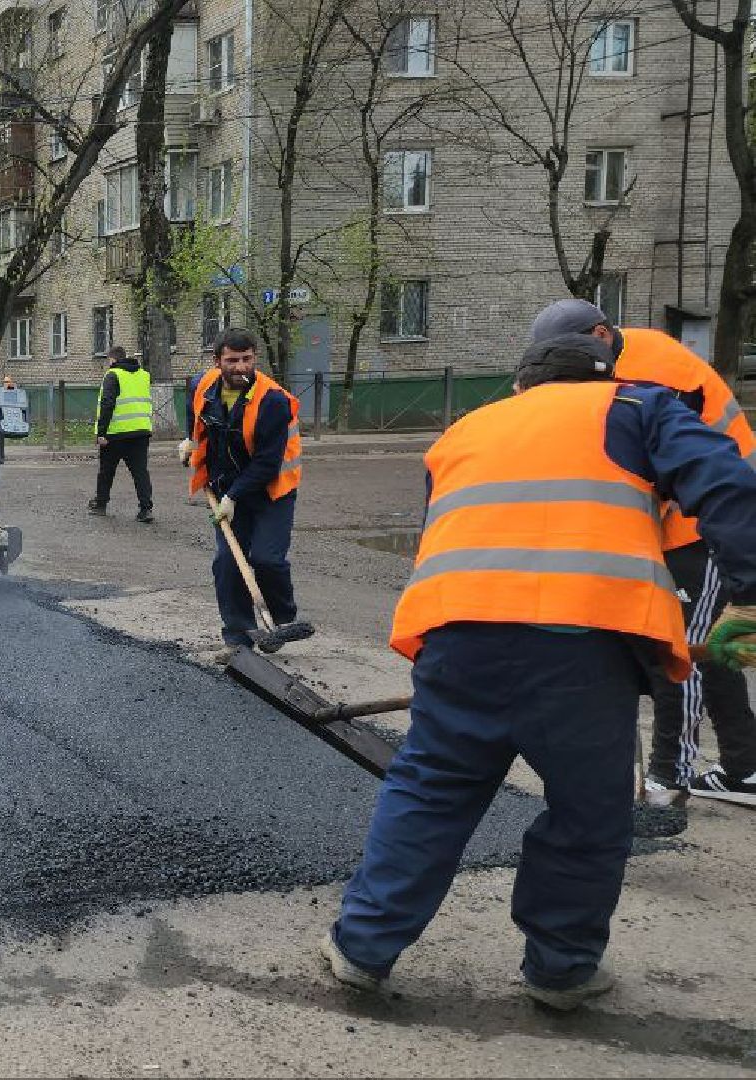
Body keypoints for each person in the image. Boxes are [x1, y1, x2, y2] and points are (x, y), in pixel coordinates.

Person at [320, 329, 756, 1010]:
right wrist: (748, 594)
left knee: (431, 791)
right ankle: (560, 971)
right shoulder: (638, 406)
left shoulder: (465, 429)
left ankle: (361, 947)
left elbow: (455, 533)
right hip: (580, 650)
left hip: (456, 636)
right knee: (587, 809)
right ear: (604, 377)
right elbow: (729, 483)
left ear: (522, 385)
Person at [528, 299, 756, 807]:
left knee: (676, 649)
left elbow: (661, 462)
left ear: (602, 336)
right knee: (706, 646)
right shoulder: (597, 366)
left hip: (708, 515)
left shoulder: (652, 371)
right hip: (693, 508)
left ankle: (668, 779)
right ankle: (744, 767)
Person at [181, 330, 307, 648]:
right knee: (227, 562)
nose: (240, 367)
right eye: (232, 360)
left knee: (267, 559)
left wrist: (234, 496)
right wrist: (189, 441)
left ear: (255, 359)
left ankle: (282, 620)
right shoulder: (202, 385)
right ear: (217, 362)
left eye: (247, 359)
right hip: (225, 487)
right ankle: (239, 636)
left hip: (271, 491)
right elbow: (194, 413)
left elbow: (266, 463)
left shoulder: (273, 401)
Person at [89, 345, 154, 523]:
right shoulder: (144, 375)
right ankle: (146, 509)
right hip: (141, 431)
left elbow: (107, 404)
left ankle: (101, 504)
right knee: (140, 472)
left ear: (112, 360)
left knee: (106, 471)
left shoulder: (113, 375)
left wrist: (100, 433)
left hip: (115, 434)